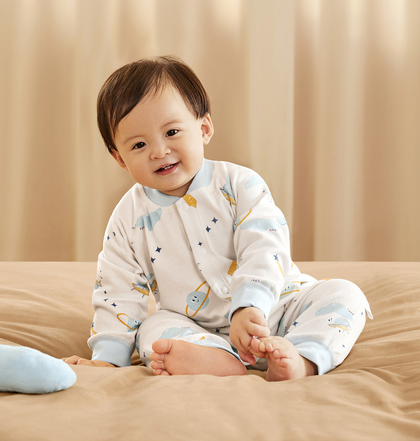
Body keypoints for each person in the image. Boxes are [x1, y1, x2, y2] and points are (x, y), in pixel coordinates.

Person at [65, 56, 372, 381]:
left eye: (172, 132)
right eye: (139, 144)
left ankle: (301, 359)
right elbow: (117, 290)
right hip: (195, 329)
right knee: (153, 331)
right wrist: (108, 358)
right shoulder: (127, 218)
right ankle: (218, 360)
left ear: (204, 129)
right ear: (120, 159)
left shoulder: (239, 184)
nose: (159, 151)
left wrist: (250, 305)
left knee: (344, 294)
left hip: (275, 309)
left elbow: (265, 245)